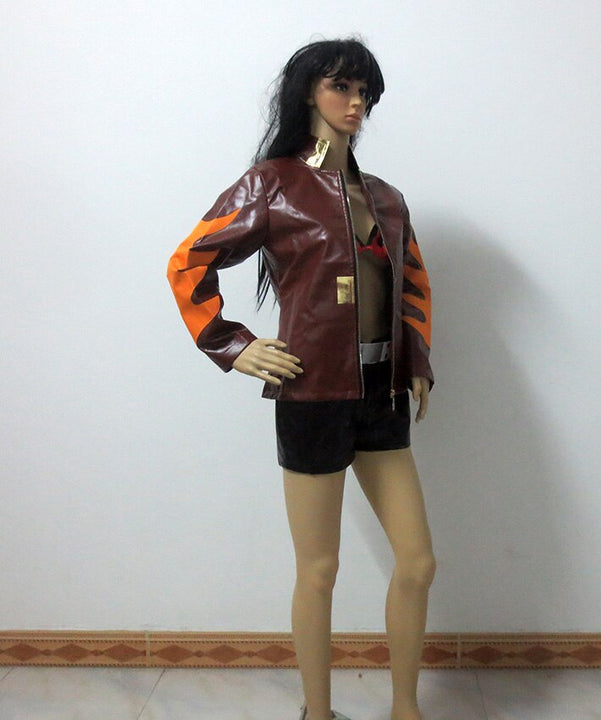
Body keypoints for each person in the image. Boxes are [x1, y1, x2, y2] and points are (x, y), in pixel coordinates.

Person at [167, 38, 435, 720]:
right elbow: (189, 261)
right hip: (313, 392)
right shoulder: (273, 184)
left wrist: (417, 364)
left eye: (365, 92)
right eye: (342, 87)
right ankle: (318, 712)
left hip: (382, 393)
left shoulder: (386, 199)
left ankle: (405, 708)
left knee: (418, 562)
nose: (356, 103)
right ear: (308, 93)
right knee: (319, 570)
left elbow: (412, 285)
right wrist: (233, 345)